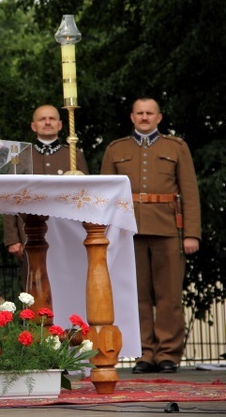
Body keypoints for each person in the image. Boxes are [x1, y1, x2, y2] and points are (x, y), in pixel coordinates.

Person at [101, 97, 200, 374]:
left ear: (159, 117)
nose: (144, 117)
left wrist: (191, 234)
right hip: (127, 231)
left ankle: (168, 353)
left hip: (169, 229)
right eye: (140, 113)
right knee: (137, 296)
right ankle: (143, 353)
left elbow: (189, 192)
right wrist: (106, 233)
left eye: (149, 113)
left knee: (169, 296)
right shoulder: (116, 148)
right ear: (132, 117)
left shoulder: (176, 147)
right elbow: (105, 195)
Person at [2, 104, 89, 276]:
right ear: (34, 126)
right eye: (42, 119)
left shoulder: (73, 155)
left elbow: (86, 196)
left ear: (60, 125)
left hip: (67, 232)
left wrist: (86, 233)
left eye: (52, 118)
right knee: (34, 285)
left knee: (69, 280)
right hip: (29, 233)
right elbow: (9, 198)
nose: (47, 122)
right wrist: (12, 238)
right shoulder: (20, 157)